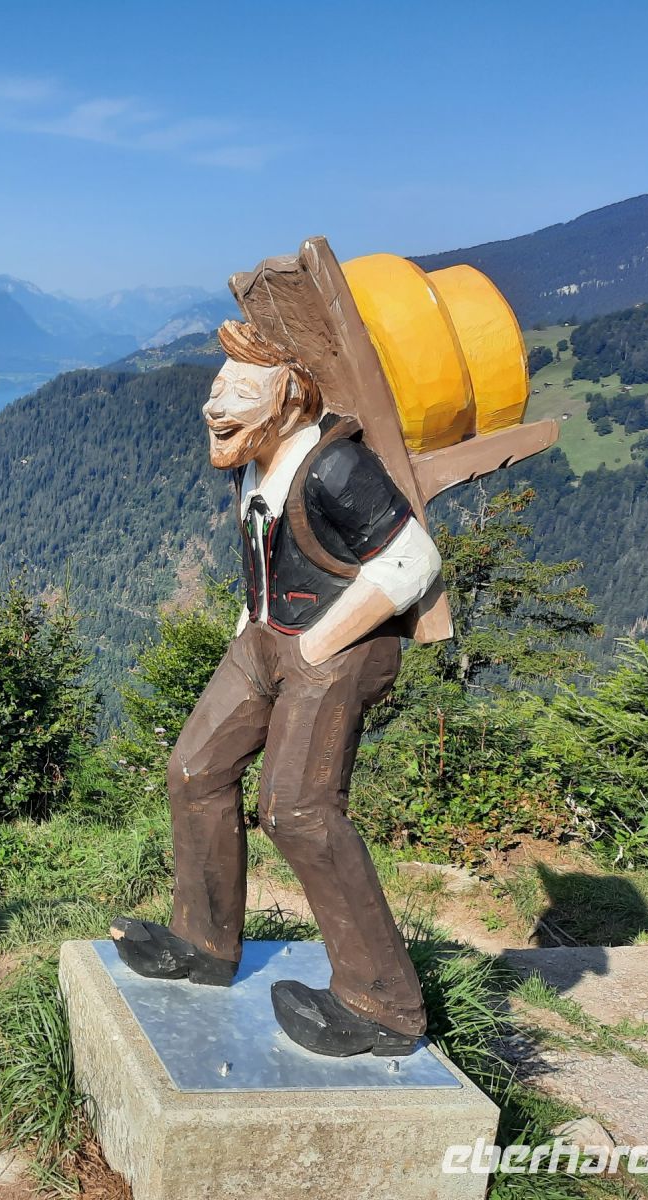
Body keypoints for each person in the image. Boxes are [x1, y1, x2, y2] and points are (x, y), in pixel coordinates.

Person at [110, 318, 441, 1057]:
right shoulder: (253, 462)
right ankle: (203, 943)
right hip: (265, 638)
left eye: (239, 391)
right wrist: (251, 623)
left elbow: (413, 561)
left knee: (296, 810)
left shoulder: (337, 468)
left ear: (290, 398)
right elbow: (273, 551)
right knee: (194, 770)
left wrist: (322, 640)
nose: (213, 404)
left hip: (338, 649)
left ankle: (384, 1003)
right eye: (217, 386)